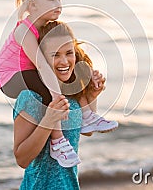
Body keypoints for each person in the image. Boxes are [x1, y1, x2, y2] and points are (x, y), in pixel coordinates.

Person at [0, 0, 117, 168]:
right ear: (32, 5)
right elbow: (42, 65)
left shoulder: (46, 28)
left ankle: (87, 115)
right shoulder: (24, 30)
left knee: (77, 73)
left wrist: (91, 93)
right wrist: (55, 96)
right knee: (48, 90)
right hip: (11, 76)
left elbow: (85, 133)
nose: (59, 4)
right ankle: (57, 141)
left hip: (30, 72)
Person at [13, 21, 110, 189]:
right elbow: (22, 159)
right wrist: (48, 121)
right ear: (41, 59)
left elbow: (87, 132)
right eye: (55, 55)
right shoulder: (30, 98)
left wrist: (92, 95)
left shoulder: (72, 96)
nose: (64, 61)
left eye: (69, 53)